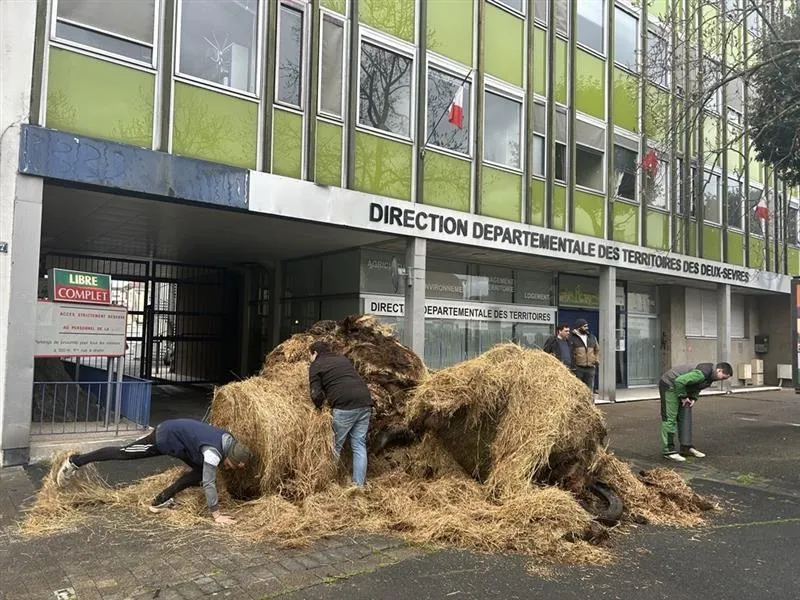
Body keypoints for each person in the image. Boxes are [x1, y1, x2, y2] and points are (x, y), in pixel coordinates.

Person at [55, 418, 252, 525]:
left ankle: (162, 500)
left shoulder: (229, 440)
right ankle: (75, 461)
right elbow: (209, 483)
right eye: (232, 465)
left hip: (180, 439)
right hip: (165, 436)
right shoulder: (213, 454)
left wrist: (192, 461)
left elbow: (197, 440)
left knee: (199, 471)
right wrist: (216, 515)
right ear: (229, 457)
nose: (229, 468)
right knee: (124, 453)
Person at [308, 340, 373, 488]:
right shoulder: (342, 359)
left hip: (345, 406)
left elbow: (315, 394)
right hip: (365, 402)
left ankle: (327, 484)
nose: (310, 359)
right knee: (359, 445)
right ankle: (358, 486)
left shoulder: (316, 365)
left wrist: (319, 408)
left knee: (334, 446)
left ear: (315, 353)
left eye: (309, 356)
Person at [658, 362, 733, 462]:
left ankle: (686, 447)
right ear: (719, 370)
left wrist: (693, 397)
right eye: (723, 377)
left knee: (684, 417)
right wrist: (683, 396)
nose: (722, 380)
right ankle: (668, 450)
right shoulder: (702, 373)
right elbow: (679, 381)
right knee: (670, 418)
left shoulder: (710, 377)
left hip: (682, 387)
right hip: (670, 385)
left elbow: (697, 386)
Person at [568, 319, 600, 391]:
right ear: (579, 327)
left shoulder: (592, 337)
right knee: (577, 389)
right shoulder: (571, 338)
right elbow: (569, 352)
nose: (587, 328)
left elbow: (597, 350)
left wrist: (596, 359)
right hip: (578, 368)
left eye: (587, 326)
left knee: (589, 389)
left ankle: (589, 399)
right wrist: (573, 365)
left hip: (590, 367)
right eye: (584, 326)